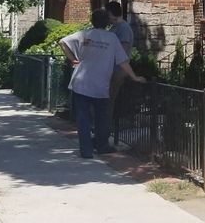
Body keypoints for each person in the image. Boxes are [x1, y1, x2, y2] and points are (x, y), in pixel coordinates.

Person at [60, 8, 146, 159]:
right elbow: (123, 60)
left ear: (93, 21)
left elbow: (63, 42)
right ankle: (102, 146)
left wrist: (73, 59)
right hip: (101, 85)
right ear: (107, 22)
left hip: (81, 83)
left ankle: (86, 151)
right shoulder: (112, 39)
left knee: (83, 119)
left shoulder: (84, 34)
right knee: (102, 118)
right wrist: (134, 77)